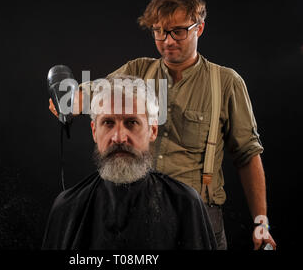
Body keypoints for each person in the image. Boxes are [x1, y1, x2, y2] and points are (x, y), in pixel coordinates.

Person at [49, 0, 276, 250]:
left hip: (199, 218)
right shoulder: (137, 70)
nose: (167, 41)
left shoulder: (226, 83)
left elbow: (247, 156)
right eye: (159, 32)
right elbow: (89, 94)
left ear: (199, 28)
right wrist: (67, 99)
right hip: (141, 217)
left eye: (178, 31)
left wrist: (261, 224)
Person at [42, 75, 217, 250]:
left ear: (152, 131)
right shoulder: (67, 207)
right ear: (95, 131)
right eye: (108, 123)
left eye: (132, 122)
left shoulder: (185, 203)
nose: (119, 138)